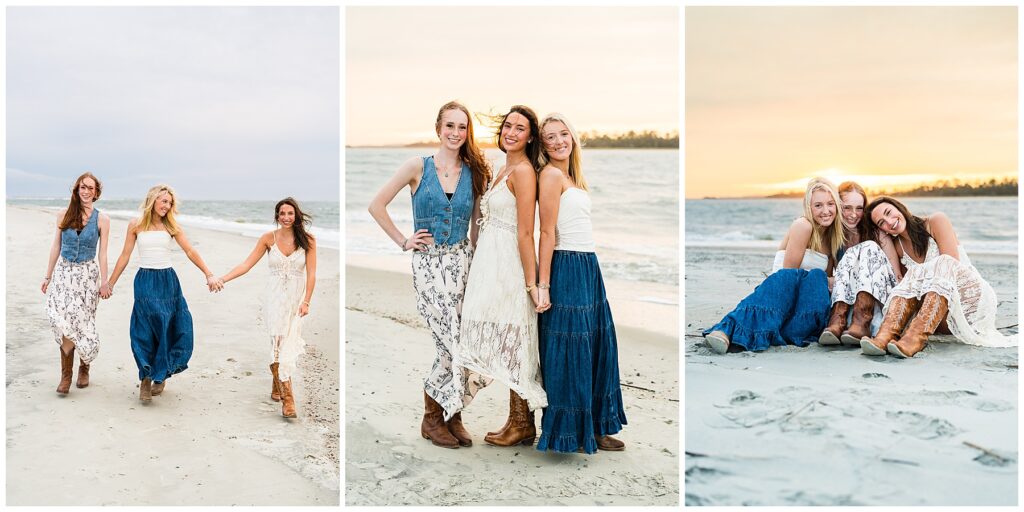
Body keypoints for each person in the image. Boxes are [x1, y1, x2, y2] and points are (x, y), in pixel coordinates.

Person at [368, 101, 491, 448]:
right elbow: (376, 205)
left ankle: (453, 413)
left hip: (463, 264)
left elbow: (477, 227)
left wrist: (483, 266)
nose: (455, 133)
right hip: (428, 265)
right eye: (450, 126)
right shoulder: (417, 166)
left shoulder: (475, 171)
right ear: (438, 128)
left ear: (468, 133)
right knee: (447, 342)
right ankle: (432, 417)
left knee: (464, 343)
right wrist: (403, 240)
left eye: (462, 127)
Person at [453, 105, 548, 447]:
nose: (511, 132)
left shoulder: (524, 172)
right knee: (503, 336)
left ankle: (522, 421)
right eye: (508, 126)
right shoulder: (502, 167)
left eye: (519, 129)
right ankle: (516, 419)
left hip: (509, 263)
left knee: (514, 337)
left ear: (530, 136)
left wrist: (531, 283)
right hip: (488, 263)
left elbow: (526, 232)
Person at [533, 113, 627, 454]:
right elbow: (545, 232)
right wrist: (543, 284)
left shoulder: (572, 176)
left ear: (572, 137)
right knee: (571, 349)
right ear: (542, 145)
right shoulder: (550, 175)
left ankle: (597, 426)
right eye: (550, 138)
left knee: (598, 344)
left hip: (589, 264)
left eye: (563, 134)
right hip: (566, 264)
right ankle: (568, 433)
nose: (559, 141)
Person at [860, 197, 1016, 357]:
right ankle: (884, 337)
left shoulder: (935, 221)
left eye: (889, 213)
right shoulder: (898, 247)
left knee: (938, 265)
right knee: (910, 282)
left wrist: (916, 274)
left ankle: (914, 339)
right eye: (881, 223)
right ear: (883, 230)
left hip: (968, 300)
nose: (889, 221)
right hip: (939, 316)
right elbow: (909, 291)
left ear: (899, 208)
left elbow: (952, 264)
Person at [108, 184, 223, 401]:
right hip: (145, 280)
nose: (166, 206)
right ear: (153, 200)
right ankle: (145, 378)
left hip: (168, 281)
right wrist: (110, 283)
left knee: (168, 328)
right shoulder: (136, 225)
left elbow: (189, 250)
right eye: (163, 201)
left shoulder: (172, 226)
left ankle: (160, 376)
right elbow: (125, 255)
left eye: (169, 203)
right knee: (143, 330)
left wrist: (208, 273)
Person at [703, 177, 845, 353]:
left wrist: (826, 280)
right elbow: (789, 277)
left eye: (830, 204)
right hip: (779, 295)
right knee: (811, 276)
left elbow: (823, 284)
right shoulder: (803, 225)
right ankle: (725, 330)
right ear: (809, 207)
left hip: (803, 304)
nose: (826, 211)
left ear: (837, 206)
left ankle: (790, 332)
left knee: (817, 277)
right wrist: (824, 278)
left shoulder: (832, 238)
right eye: (818, 205)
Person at [220, 198, 317, 418]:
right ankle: (288, 399)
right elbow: (246, 265)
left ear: (296, 215)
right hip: (274, 298)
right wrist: (223, 279)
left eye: (290, 213)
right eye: (282, 213)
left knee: (288, 341)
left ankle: (277, 384)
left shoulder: (308, 240)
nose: (286, 217)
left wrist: (307, 301)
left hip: (295, 298)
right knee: (278, 343)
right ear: (276, 216)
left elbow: (312, 274)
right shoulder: (267, 239)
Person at [42, 172, 111, 394]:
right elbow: (56, 246)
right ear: (77, 190)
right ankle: (66, 376)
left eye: (90, 188)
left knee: (83, 322)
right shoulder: (63, 214)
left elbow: (103, 254)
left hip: (88, 277)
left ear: (96, 192)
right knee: (63, 320)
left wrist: (105, 282)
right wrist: (48, 276)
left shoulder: (102, 219)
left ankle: (84, 367)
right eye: (83, 187)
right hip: (64, 273)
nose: (86, 191)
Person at [818, 181, 902, 346]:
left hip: (881, 296)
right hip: (850, 298)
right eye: (847, 208)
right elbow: (830, 278)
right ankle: (838, 320)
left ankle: (862, 321)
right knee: (850, 256)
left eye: (859, 208)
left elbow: (895, 274)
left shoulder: (876, 233)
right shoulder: (833, 236)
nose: (853, 214)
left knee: (867, 246)